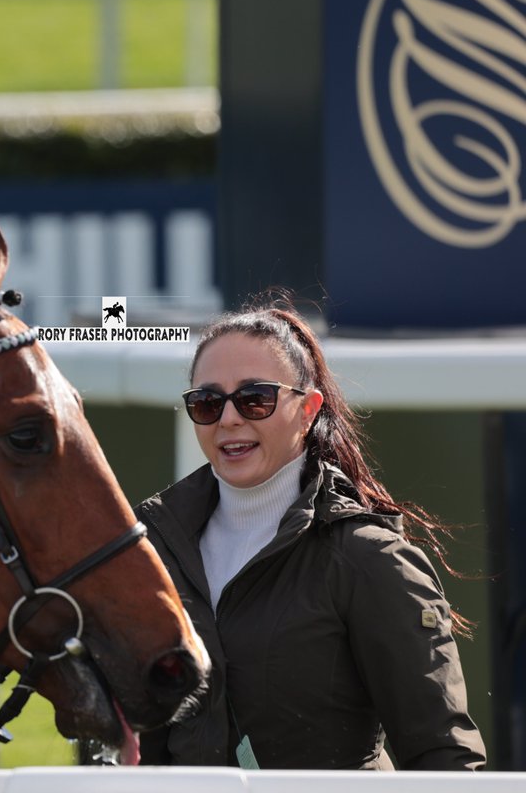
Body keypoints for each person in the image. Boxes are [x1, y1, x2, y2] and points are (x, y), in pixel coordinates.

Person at [136, 300, 486, 770]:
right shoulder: (152, 551)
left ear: (308, 409)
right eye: (207, 402)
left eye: (254, 398)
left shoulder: (367, 558)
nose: (229, 419)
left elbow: (445, 758)